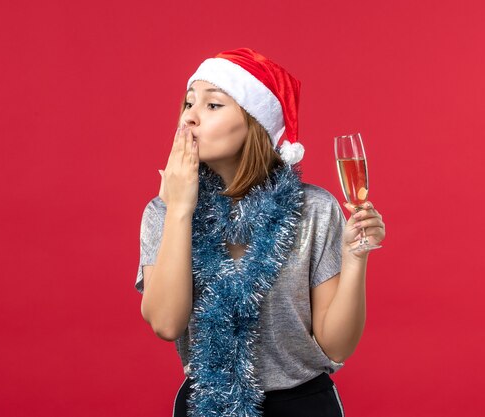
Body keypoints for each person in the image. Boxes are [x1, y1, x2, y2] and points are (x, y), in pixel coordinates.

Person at [134, 48, 386, 417]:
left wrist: (354, 258)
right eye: (188, 104)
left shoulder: (314, 208)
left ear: (255, 121)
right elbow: (166, 323)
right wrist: (181, 209)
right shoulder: (163, 213)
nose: (189, 117)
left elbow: (337, 347)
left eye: (213, 105)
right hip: (205, 402)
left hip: (303, 405)